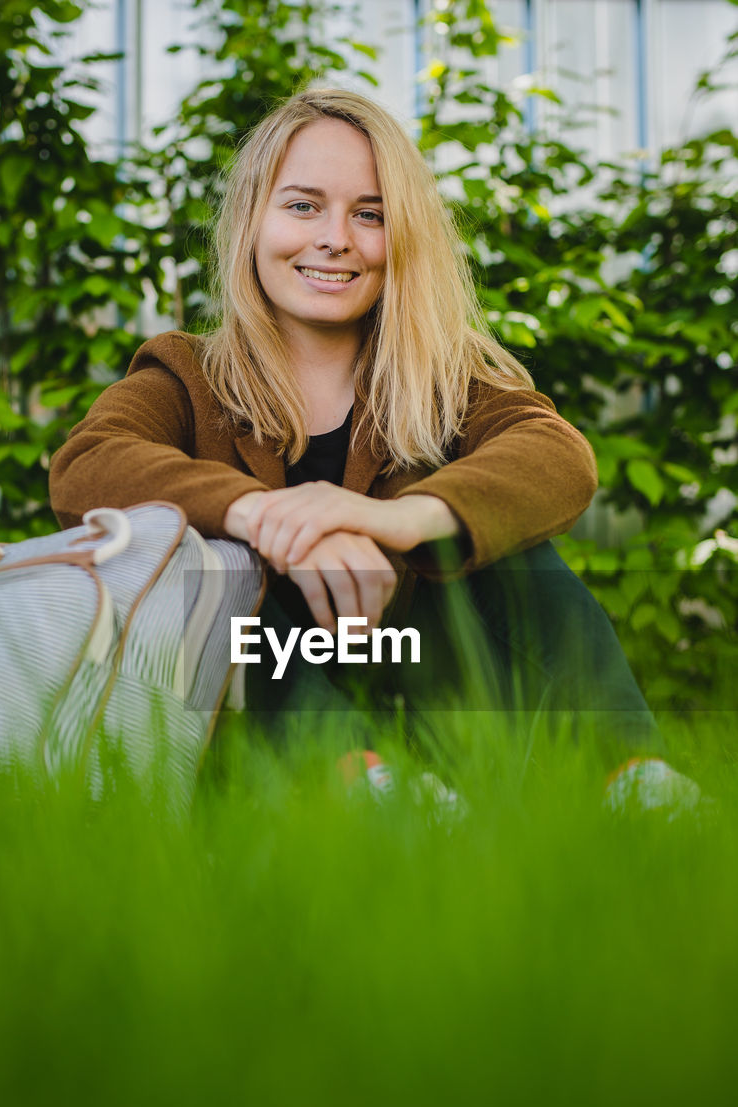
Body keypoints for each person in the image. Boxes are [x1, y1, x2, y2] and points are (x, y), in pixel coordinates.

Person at [49, 87, 696, 813]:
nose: (335, 238)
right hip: (271, 722)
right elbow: (87, 463)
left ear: (402, 237)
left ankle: (636, 788)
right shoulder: (187, 373)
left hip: (427, 692)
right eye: (302, 206)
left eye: (370, 214)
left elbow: (556, 455)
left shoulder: (446, 379)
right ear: (251, 223)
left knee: (515, 554)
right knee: (220, 571)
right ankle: (378, 796)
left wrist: (400, 520)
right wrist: (265, 515)